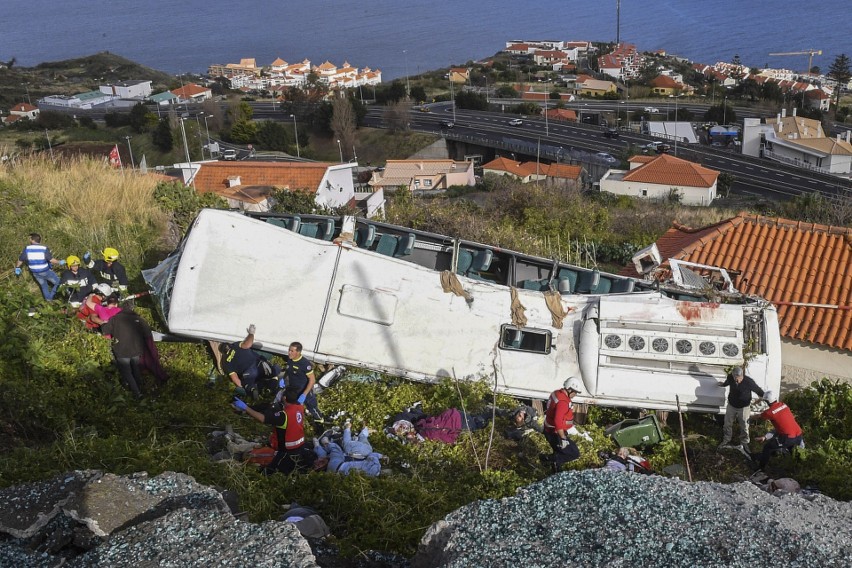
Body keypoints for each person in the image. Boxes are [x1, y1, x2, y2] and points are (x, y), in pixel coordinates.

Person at [234, 387, 314, 475]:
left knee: (267, 471)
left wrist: (246, 408)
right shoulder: (299, 407)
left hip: (285, 451)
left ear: (284, 398)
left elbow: (263, 418)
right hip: (299, 447)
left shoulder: (284, 415)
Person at [100, 307, 158, 399]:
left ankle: (137, 393)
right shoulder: (139, 319)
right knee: (136, 370)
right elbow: (147, 334)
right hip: (136, 350)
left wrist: (103, 324)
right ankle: (140, 388)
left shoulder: (115, 319)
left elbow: (105, 331)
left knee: (127, 372)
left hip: (122, 351)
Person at [221, 324, 281, 399]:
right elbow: (248, 344)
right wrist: (251, 333)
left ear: (223, 353)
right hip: (259, 364)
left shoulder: (225, 362)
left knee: (248, 384)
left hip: (249, 373)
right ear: (229, 345)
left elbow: (235, 379)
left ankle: (252, 389)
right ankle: (272, 382)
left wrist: (242, 385)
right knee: (273, 372)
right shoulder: (235, 345)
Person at [752, 390, 804, 470]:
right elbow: (780, 428)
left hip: (788, 437)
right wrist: (765, 437)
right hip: (798, 434)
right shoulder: (784, 405)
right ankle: (799, 469)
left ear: (767, 402)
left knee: (768, 447)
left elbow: (758, 416)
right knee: (793, 451)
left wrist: (749, 416)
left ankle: (760, 468)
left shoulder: (769, 412)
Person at [542, 377, 585, 472]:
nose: (575, 395)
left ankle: (556, 469)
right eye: (575, 392)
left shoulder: (557, 393)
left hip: (550, 429)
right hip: (554, 432)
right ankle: (546, 459)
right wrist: (563, 438)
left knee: (559, 451)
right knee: (574, 453)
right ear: (569, 389)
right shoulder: (563, 402)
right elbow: (558, 420)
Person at [314, 420, 385, 477]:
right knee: (346, 445)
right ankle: (347, 428)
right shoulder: (374, 468)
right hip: (360, 452)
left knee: (362, 438)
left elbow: (325, 454)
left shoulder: (372, 471)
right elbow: (335, 449)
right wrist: (325, 443)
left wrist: (383, 456)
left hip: (365, 451)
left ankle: (363, 429)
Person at [718, 366, 764, 450]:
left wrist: (760, 399)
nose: (736, 380)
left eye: (738, 378)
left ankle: (745, 442)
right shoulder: (730, 378)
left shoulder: (748, 382)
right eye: (735, 377)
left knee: (744, 425)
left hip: (744, 407)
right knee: (727, 424)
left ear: (742, 375)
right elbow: (728, 382)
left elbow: (759, 391)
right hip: (731, 405)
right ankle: (727, 439)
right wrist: (723, 384)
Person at [15, 233, 64, 301]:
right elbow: (51, 260)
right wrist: (60, 262)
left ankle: (48, 301)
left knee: (44, 286)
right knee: (58, 282)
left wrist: (17, 267)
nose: (29, 240)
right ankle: (51, 296)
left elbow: (21, 260)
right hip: (45, 271)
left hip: (35, 272)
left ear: (32, 240)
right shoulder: (44, 248)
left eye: (30, 238)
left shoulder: (27, 248)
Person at [282, 342, 323, 421]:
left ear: (298, 352)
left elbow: (312, 379)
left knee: (312, 407)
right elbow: (288, 369)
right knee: (289, 405)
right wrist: (283, 379)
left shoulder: (304, 364)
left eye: (292, 351)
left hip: (304, 390)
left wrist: (304, 394)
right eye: (289, 350)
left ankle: (319, 423)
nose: (289, 353)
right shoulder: (290, 359)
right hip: (293, 389)